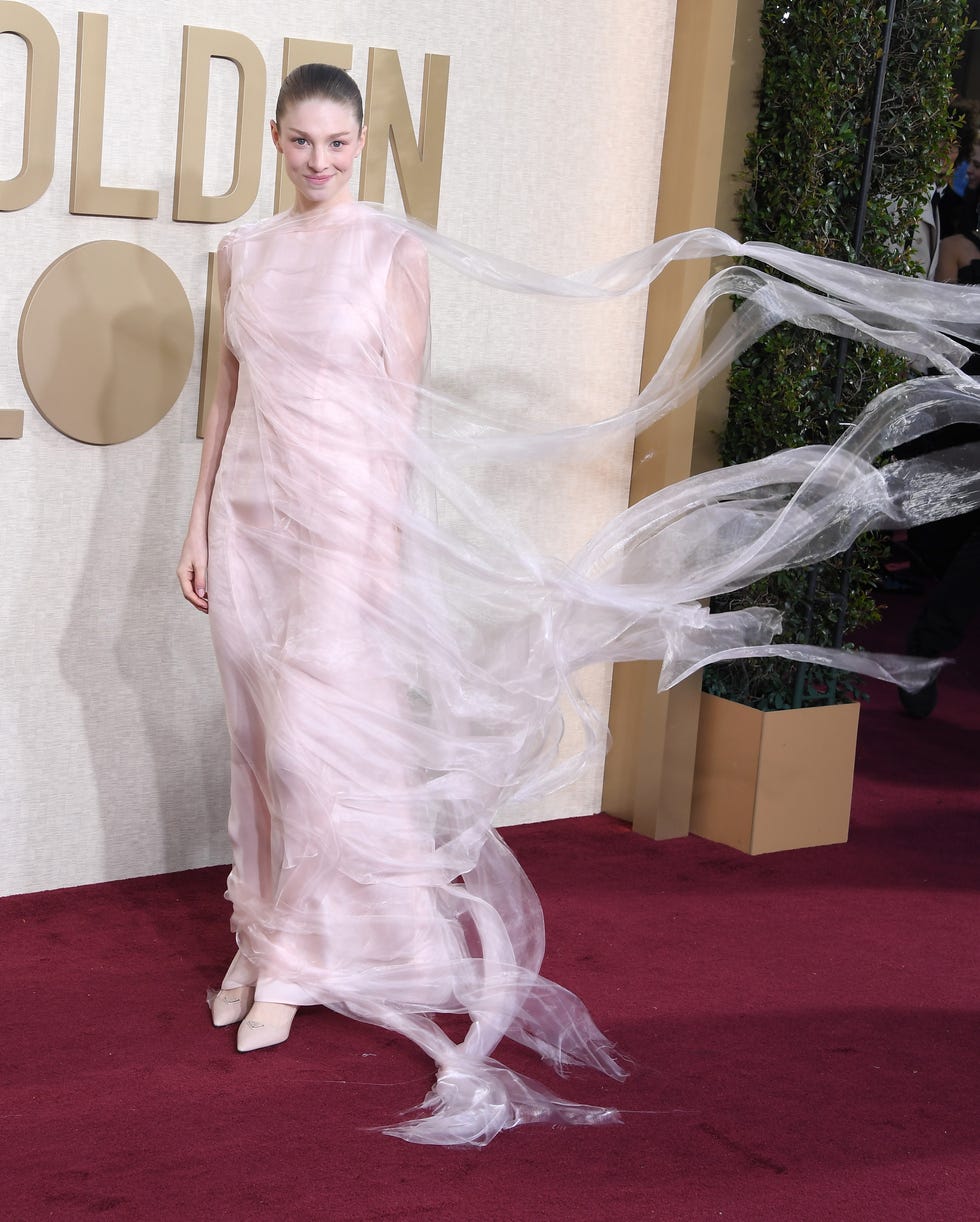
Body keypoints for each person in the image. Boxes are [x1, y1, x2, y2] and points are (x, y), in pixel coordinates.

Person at [179, 64, 980, 1146]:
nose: (317, 161)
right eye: (300, 142)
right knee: (253, 739)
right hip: (248, 520)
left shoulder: (390, 251)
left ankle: (293, 961)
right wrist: (194, 528)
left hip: (342, 527)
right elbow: (223, 395)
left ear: (359, 146)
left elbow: (401, 414)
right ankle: (262, 930)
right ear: (274, 140)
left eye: (336, 144)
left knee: (307, 752)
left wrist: (381, 550)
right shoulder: (243, 253)